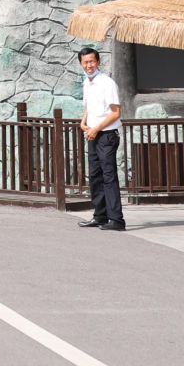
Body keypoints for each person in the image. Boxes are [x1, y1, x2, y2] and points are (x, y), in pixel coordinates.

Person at [76, 46, 126, 231]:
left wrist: (96, 128)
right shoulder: (87, 83)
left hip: (106, 135)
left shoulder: (107, 83)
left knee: (108, 176)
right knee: (95, 175)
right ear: (81, 63)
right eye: (85, 62)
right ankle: (100, 215)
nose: (89, 65)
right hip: (92, 133)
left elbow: (116, 113)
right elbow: (88, 108)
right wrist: (83, 122)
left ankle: (117, 220)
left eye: (92, 61)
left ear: (98, 62)